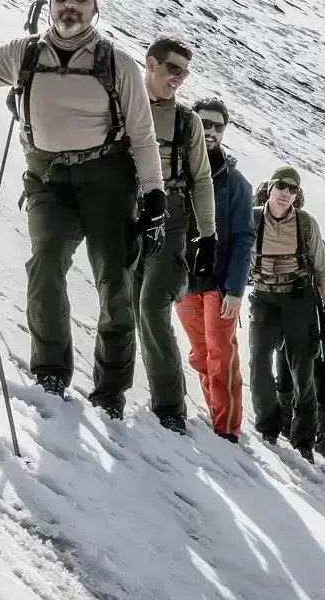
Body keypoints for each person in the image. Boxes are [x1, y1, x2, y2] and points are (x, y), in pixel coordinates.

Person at [0, 0, 165, 417]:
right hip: (46, 179)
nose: (70, 4)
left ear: (94, 7)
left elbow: (142, 135)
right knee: (44, 265)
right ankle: (50, 373)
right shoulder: (23, 54)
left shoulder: (116, 62)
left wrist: (154, 196)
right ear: (50, 3)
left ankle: (110, 393)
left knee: (114, 283)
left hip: (107, 179)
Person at [135, 37, 214, 432]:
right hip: (125, 213)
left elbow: (201, 180)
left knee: (152, 307)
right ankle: (108, 393)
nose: (180, 79)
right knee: (120, 303)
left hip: (173, 216)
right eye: (173, 69)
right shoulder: (123, 103)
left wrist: (209, 237)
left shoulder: (187, 122)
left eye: (185, 71)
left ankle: (169, 409)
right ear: (151, 64)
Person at [175, 97, 254, 441]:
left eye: (217, 126)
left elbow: (243, 239)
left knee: (222, 357)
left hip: (219, 285)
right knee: (200, 355)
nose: (210, 131)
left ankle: (227, 430)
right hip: (184, 280)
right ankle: (215, 416)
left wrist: (236, 290)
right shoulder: (176, 166)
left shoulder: (235, 182)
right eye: (204, 123)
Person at [247, 167, 325, 459]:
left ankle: (303, 440)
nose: (286, 193)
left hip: (298, 298)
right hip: (263, 297)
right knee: (258, 361)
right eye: (282, 186)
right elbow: (235, 254)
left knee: (303, 371)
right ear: (270, 187)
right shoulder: (251, 218)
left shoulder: (305, 224)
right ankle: (269, 427)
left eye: (293, 189)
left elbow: (323, 269)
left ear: (297, 195)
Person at [276, 243, 325, 460]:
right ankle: (285, 435)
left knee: (322, 393)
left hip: (323, 343)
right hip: (289, 339)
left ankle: (324, 444)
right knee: (286, 385)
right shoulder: (288, 264)